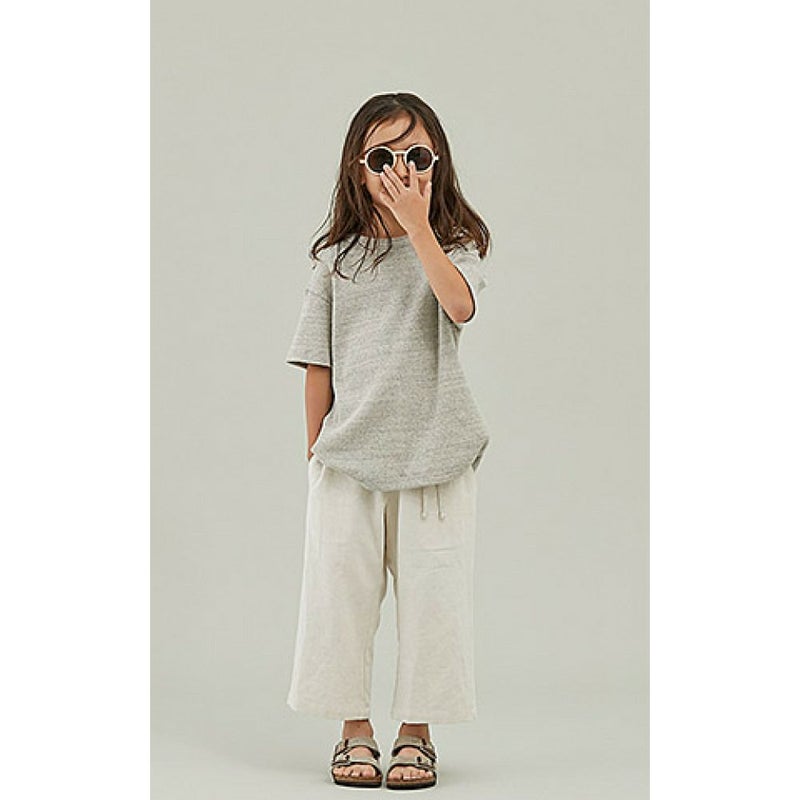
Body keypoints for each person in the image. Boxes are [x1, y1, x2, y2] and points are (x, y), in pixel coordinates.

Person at [284, 92, 491, 790]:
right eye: (382, 157)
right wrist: (315, 450)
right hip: (349, 460)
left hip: (437, 456)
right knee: (338, 596)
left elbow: (458, 305)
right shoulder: (336, 261)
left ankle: (417, 732)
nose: (400, 171)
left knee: (436, 599)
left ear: (439, 164)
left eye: (417, 156)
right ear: (357, 167)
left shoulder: (455, 248)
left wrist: (419, 228)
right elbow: (318, 362)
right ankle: (354, 729)